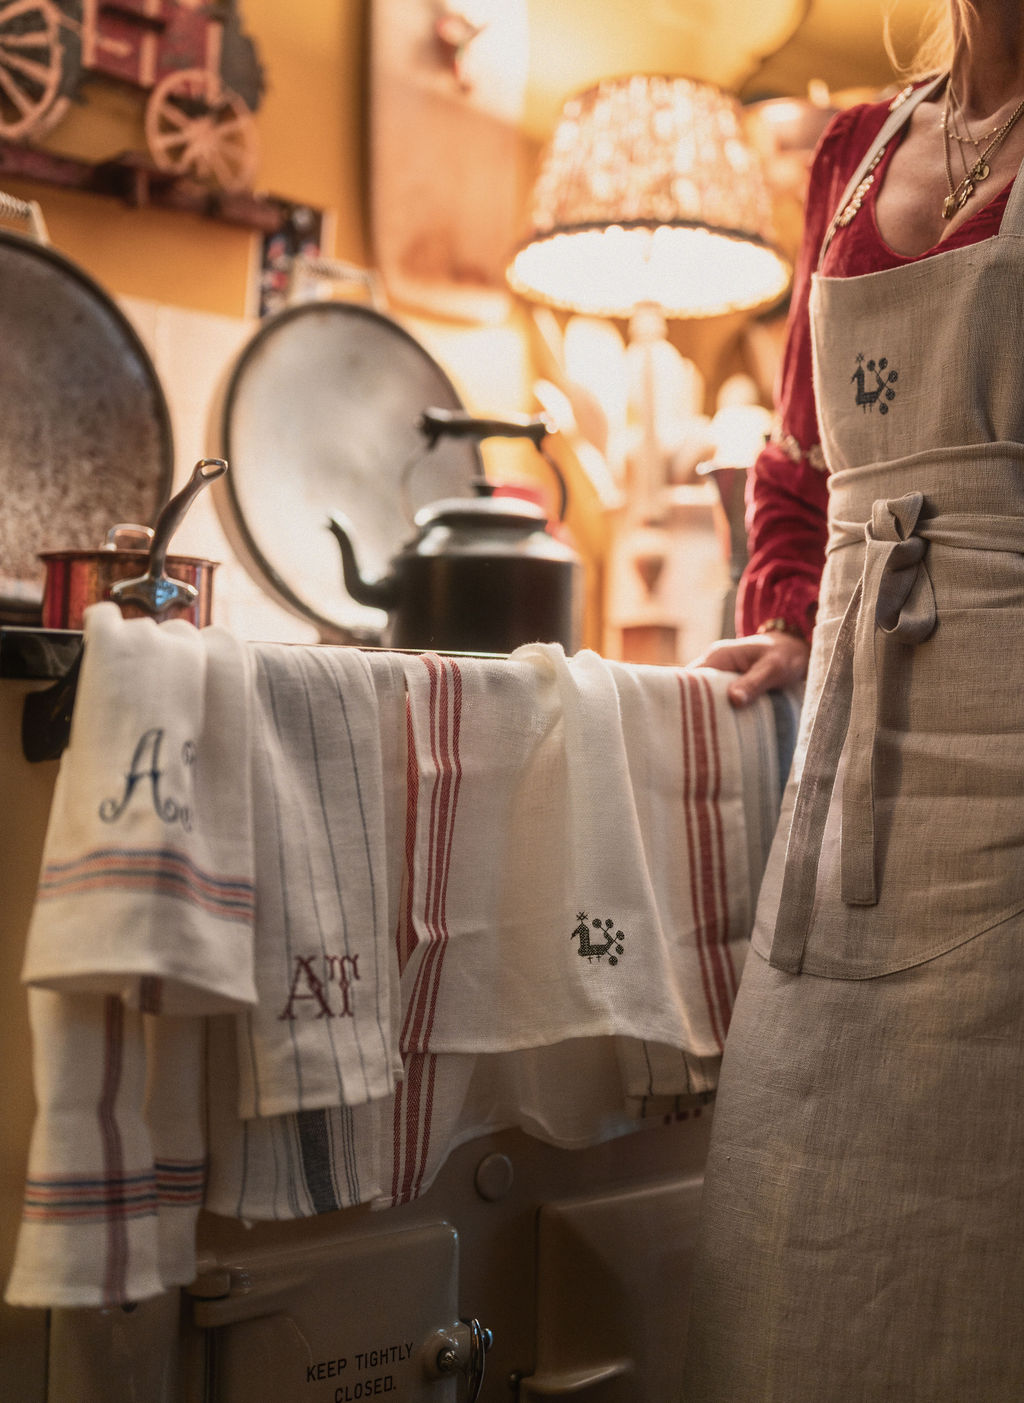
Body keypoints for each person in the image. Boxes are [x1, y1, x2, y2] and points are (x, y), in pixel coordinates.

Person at [681, 2, 1024, 1398]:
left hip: (1007, 753)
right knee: (784, 1212)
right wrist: (777, 615)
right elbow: (799, 468)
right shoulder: (848, 151)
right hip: (844, 760)